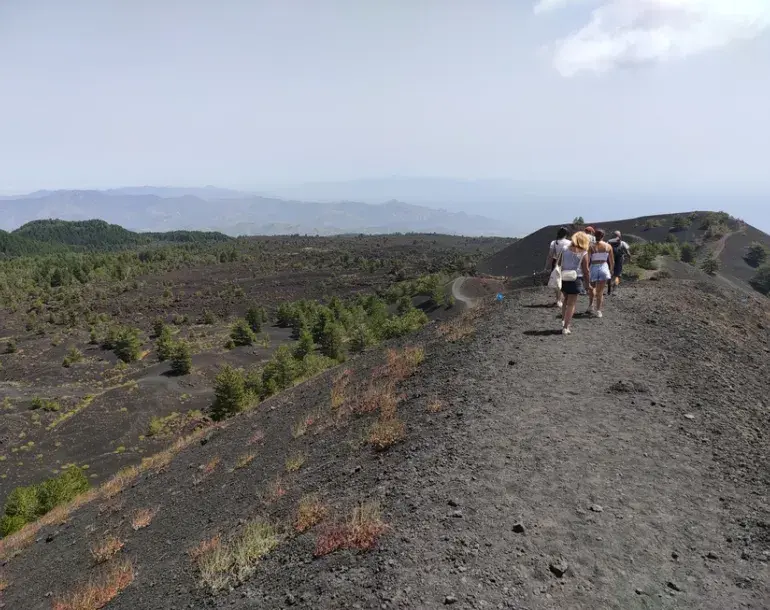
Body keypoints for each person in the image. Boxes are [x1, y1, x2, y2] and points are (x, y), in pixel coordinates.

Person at [560, 231, 591, 335]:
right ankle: (566, 327)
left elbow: (559, 263)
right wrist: (587, 283)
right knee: (571, 304)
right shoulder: (583, 252)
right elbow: (586, 270)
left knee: (565, 300)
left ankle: (563, 320)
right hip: (575, 278)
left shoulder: (565, 249)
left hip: (563, 277)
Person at [587, 229, 614, 317]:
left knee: (592, 288)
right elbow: (611, 261)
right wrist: (611, 270)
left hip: (594, 267)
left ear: (594, 236)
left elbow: (587, 260)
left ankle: (591, 305)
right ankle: (598, 311)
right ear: (603, 236)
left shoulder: (591, 246)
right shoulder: (608, 246)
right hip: (604, 267)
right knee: (600, 291)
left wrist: (586, 269)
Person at [545, 227, 571, 307]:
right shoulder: (569, 242)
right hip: (567, 262)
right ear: (566, 234)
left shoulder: (554, 242)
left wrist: (547, 265)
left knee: (557, 281)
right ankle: (565, 299)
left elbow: (550, 255)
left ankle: (559, 300)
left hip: (556, 263)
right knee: (566, 281)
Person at [607, 231, 631, 295]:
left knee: (609, 274)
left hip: (610, 260)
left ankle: (609, 289)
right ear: (619, 236)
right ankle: (614, 289)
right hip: (619, 260)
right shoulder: (622, 243)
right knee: (617, 275)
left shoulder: (609, 243)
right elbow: (628, 252)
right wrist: (629, 259)